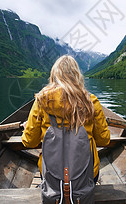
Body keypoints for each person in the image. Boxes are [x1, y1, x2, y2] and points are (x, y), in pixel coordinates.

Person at [21, 55, 110, 183]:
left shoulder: (42, 100)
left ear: (54, 75)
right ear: (77, 76)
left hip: (50, 174)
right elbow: (104, 140)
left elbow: (29, 142)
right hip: (87, 174)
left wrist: (26, 129)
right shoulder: (91, 101)